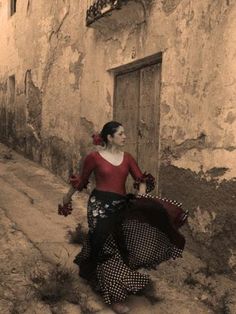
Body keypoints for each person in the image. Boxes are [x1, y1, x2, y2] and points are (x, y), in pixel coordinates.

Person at [58, 121, 188, 314]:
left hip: (121, 206)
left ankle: (96, 275)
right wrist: (66, 197)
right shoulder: (94, 158)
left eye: (124, 133)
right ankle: (115, 297)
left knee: (118, 244)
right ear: (109, 137)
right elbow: (82, 181)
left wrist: (142, 198)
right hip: (98, 208)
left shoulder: (127, 158)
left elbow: (141, 179)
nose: (125, 137)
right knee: (106, 245)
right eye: (121, 134)